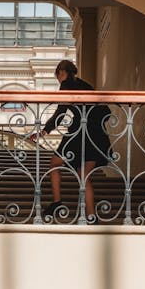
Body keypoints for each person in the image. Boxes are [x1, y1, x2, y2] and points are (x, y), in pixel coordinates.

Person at [40, 59, 112, 220]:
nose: (59, 80)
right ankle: (91, 216)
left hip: (80, 134)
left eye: (58, 76)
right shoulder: (85, 85)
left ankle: (57, 202)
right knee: (83, 175)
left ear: (61, 73)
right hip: (97, 135)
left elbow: (61, 111)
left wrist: (45, 130)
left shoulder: (66, 84)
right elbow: (105, 112)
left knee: (54, 165)